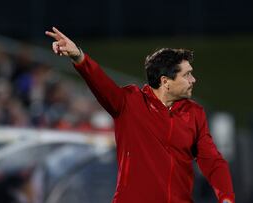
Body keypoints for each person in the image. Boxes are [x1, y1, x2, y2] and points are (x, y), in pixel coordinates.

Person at [45, 27, 235, 203]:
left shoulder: (195, 113)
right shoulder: (130, 103)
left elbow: (212, 160)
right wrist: (78, 56)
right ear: (165, 81)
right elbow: (100, 82)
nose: (193, 80)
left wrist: (226, 197)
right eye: (187, 75)